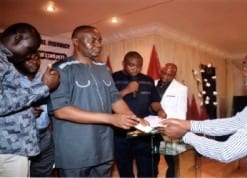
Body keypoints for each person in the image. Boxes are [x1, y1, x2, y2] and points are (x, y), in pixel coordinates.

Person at [159, 46, 247, 177]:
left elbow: (227, 152)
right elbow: (236, 122)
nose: (246, 73)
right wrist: (189, 124)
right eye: (245, 66)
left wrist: (185, 135)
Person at [48, 25, 142, 177]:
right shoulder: (62, 69)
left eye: (100, 40)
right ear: (76, 42)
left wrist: (131, 116)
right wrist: (111, 118)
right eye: (92, 41)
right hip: (76, 151)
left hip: (104, 149)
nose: (98, 44)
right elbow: (60, 110)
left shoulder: (103, 68)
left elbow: (114, 98)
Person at [0, 23, 59, 177]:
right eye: (30, 50)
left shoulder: (5, 60)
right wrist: (44, 87)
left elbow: (9, 99)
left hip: (15, 146)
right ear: (18, 38)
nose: (29, 56)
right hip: (8, 148)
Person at [112, 51, 166, 178]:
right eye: (131, 65)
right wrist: (127, 90)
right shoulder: (113, 78)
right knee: (125, 168)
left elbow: (154, 101)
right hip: (121, 132)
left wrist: (159, 110)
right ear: (123, 64)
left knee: (147, 168)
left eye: (138, 65)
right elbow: (108, 101)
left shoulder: (147, 80)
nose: (135, 68)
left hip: (143, 131)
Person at [14, 52, 55, 177]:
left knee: (43, 172)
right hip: (21, 137)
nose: (34, 61)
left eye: (36, 58)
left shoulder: (45, 79)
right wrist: (25, 112)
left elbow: (52, 103)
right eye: (28, 58)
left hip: (45, 135)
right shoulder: (11, 81)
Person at [155, 63, 188, 178]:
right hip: (152, 129)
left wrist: (178, 130)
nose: (165, 76)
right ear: (161, 70)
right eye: (164, 72)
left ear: (174, 75)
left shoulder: (181, 89)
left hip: (169, 130)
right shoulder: (152, 83)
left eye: (170, 74)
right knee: (152, 161)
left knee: (173, 161)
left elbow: (182, 112)